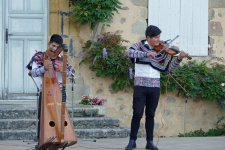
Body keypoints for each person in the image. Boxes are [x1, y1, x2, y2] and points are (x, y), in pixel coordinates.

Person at [125, 25, 188, 150]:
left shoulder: (162, 52)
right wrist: (146, 54)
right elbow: (129, 53)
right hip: (140, 86)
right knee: (137, 113)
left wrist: (179, 58)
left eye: (159, 37)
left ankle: (150, 142)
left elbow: (168, 69)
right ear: (148, 37)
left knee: (151, 114)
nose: (159, 40)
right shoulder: (138, 46)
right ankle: (132, 141)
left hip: (154, 87)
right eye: (156, 37)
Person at [26, 34, 75, 148]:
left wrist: (64, 70)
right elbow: (31, 72)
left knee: (60, 116)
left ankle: (58, 139)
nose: (54, 49)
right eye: (53, 45)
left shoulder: (62, 59)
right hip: (45, 91)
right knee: (42, 117)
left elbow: (72, 73)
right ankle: (41, 142)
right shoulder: (39, 56)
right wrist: (44, 68)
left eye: (57, 47)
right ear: (49, 43)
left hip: (59, 91)